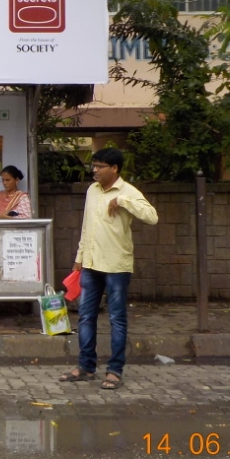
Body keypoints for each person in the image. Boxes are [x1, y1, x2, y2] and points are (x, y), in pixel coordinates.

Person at [60, 148, 157, 391]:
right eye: (94, 165)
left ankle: (115, 371)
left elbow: (152, 216)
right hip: (91, 264)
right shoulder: (92, 190)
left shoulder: (128, 192)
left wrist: (122, 201)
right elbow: (87, 227)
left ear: (114, 169)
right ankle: (85, 367)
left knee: (116, 319)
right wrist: (79, 258)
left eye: (100, 166)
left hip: (116, 266)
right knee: (85, 317)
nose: (95, 170)